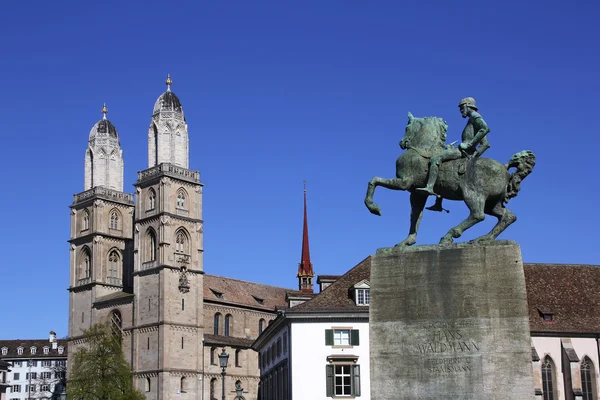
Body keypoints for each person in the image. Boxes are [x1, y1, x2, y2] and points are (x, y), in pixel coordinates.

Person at [418, 97, 491, 210]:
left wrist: (469, 145)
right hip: (466, 152)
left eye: (462, 107)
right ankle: (438, 204)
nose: (461, 110)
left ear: (468, 105)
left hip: (463, 150)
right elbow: (485, 144)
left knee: (436, 159)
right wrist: (474, 156)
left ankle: (430, 187)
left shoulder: (474, 116)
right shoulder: (472, 120)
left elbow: (485, 128)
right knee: (445, 167)